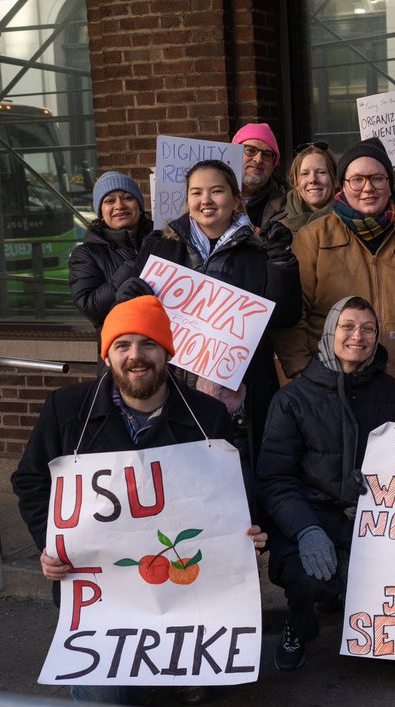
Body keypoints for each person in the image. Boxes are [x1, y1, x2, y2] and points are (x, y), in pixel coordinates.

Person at [12, 296, 267, 706]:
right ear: (107, 356)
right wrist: (52, 542)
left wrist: (245, 532)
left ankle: (178, 670)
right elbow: (29, 481)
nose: (136, 356)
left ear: (167, 351)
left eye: (148, 343)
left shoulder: (208, 415)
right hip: (103, 598)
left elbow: (230, 489)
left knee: (205, 680)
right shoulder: (66, 410)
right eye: (123, 345)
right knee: (105, 702)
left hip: (187, 592)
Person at [257, 296, 395, 672]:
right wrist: (305, 529)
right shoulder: (293, 399)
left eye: (368, 329)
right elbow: (275, 479)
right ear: (330, 332)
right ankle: (299, 619)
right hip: (313, 515)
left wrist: (381, 492)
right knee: (309, 578)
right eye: (348, 326)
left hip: (374, 519)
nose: (359, 336)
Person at [132, 159, 301, 471]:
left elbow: (286, 314)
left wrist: (281, 263)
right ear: (188, 200)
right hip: (172, 389)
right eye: (196, 192)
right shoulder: (160, 247)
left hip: (239, 397)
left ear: (236, 199)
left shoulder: (261, 249)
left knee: (235, 477)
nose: (205, 200)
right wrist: (129, 294)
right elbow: (133, 314)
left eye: (217, 191)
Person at [272, 137, 395, 386]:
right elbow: (292, 310)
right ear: (343, 186)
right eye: (357, 179)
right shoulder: (314, 237)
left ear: (390, 185)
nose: (368, 188)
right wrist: (300, 370)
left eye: (377, 178)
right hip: (331, 381)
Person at [69, 171, 154, 339]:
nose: (119, 205)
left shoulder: (162, 242)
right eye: (109, 201)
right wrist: (133, 265)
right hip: (121, 353)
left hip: (171, 351)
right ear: (101, 212)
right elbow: (92, 308)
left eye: (127, 198)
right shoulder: (86, 255)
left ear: (139, 205)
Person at [232, 123, 288, 229]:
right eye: (250, 151)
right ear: (234, 153)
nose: (258, 160)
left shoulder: (286, 203)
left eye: (266, 154)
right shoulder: (211, 195)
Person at [276, 141, 338, 234]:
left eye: (321, 172)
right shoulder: (276, 229)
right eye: (305, 174)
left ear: (336, 180)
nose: (312, 180)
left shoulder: (352, 224)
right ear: (296, 183)